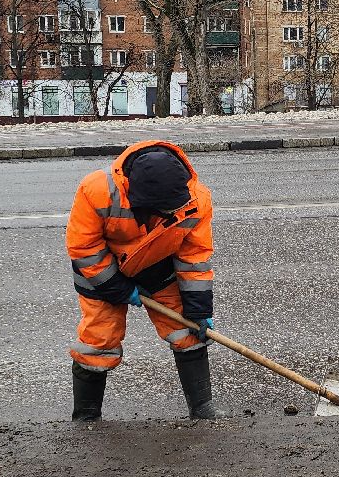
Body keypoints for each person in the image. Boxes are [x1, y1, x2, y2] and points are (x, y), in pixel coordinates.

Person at [66, 140, 226, 422]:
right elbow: (84, 248)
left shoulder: (197, 200)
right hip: (102, 271)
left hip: (157, 268)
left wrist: (200, 310)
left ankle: (202, 409)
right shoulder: (96, 190)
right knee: (98, 340)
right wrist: (118, 288)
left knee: (187, 331)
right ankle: (86, 416)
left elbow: (195, 258)